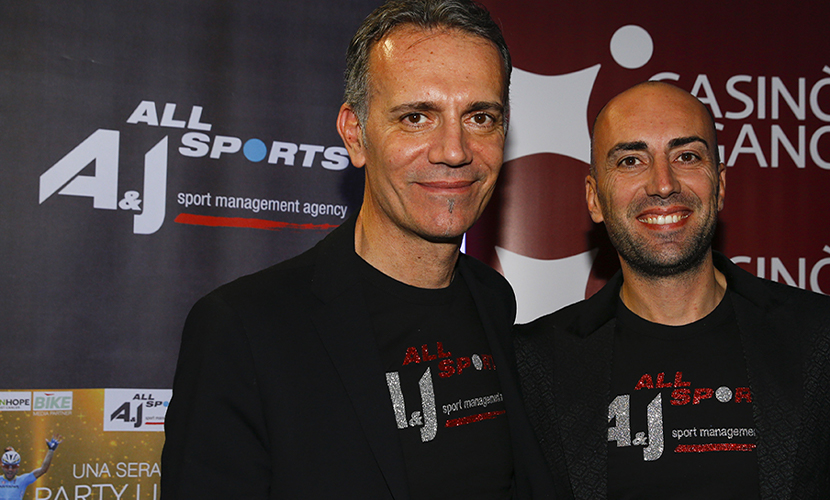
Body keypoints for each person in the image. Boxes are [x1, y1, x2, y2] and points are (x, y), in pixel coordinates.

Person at [161, 0, 552, 498]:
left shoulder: (492, 299)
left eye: (479, 117)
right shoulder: (243, 330)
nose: (454, 150)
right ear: (355, 135)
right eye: (416, 117)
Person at [514, 82, 830, 499]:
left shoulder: (817, 334)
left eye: (686, 156)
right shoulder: (538, 361)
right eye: (631, 160)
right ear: (594, 198)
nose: (663, 184)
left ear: (720, 184)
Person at [1, 436, 62, 500]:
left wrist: (51, 450)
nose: (10, 470)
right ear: (2, 466)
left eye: (13, 467)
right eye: (7, 467)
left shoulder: (22, 480)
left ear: (17, 467)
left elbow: (43, 470)